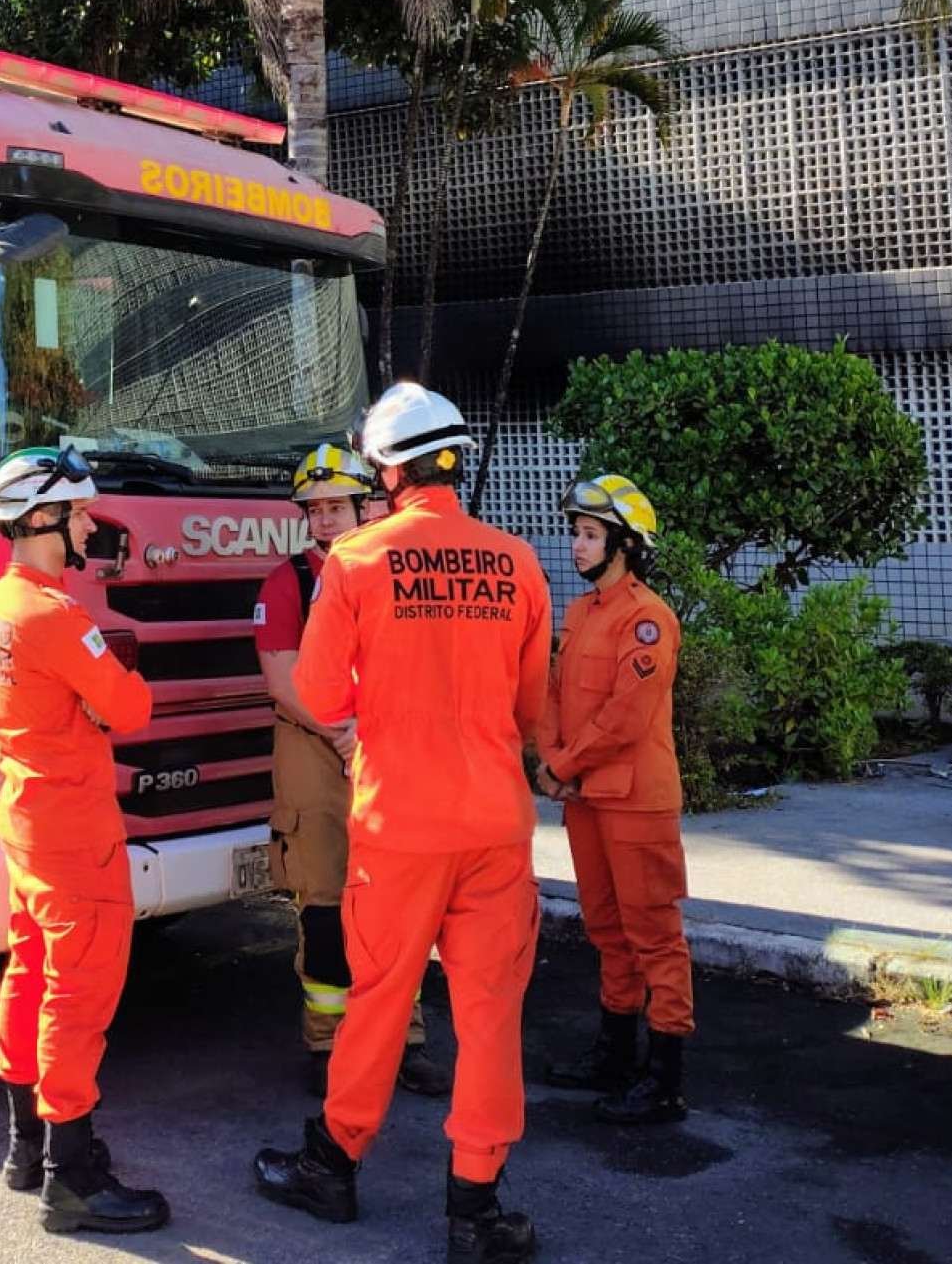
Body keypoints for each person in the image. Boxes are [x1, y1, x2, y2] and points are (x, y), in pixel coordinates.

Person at [251, 384, 551, 1263]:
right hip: (496, 826)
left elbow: (317, 693)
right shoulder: (519, 560)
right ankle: (477, 1207)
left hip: (397, 827)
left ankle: (333, 1163)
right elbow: (530, 706)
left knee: (379, 1000)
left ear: (386, 469)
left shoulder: (353, 562)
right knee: (490, 1014)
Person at [0, 445, 172, 1235]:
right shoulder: (58, 616)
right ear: (45, 520)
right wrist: (106, 694)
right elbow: (132, 708)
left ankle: (27, 1145)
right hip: (75, 831)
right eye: (80, 512)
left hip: (25, 820)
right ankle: (72, 1173)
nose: (91, 523)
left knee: (30, 972)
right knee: (78, 993)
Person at [255, 443, 443, 1098]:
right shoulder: (288, 582)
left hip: (383, 747)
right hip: (319, 752)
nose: (325, 519)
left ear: (366, 505)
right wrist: (343, 734)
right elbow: (282, 681)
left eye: (336, 505)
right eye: (315, 508)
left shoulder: (391, 572)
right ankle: (325, 1041)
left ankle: (406, 1037)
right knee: (327, 907)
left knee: (398, 905)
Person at [536, 474, 693, 1126]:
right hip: (587, 799)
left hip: (635, 801)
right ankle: (614, 1054)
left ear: (624, 544)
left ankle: (664, 1079)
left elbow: (626, 718)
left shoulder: (649, 618)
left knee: (654, 934)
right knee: (606, 928)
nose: (575, 544)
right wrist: (550, 761)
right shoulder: (580, 613)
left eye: (589, 534)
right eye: (576, 531)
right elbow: (553, 691)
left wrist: (563, 764)